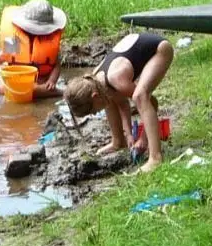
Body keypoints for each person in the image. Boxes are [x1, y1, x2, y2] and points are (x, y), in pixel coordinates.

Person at [63, 32, 173, 174]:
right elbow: (122, 103)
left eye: (93, 111)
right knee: (108, 100)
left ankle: (155, 157)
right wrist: (128, 134)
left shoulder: (116, 79)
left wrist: (142, 139)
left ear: (94, 96)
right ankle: (118, 141)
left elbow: (152, 102)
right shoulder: (95, 81)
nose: (95, 114)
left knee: (140, 97)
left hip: (160, 49)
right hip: (136, 46)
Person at [0, 0, 66, 99]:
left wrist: (52, 81)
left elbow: (56, 65)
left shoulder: (49, 39)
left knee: (42, 90)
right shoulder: (16, 37)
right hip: (16, 78)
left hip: (40, 80)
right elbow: (3, 56)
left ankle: (58, 92)